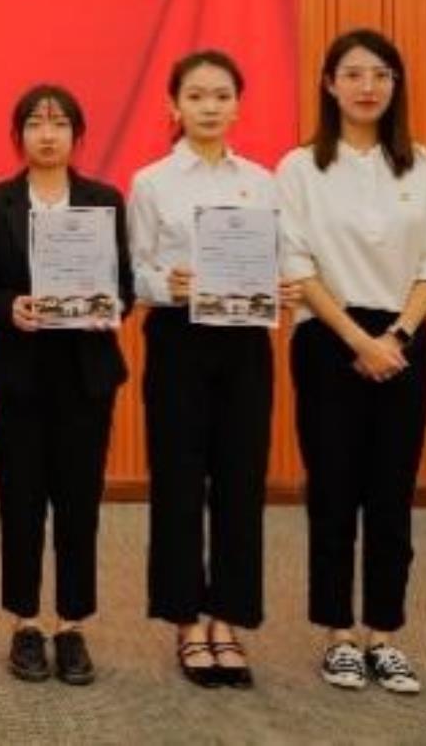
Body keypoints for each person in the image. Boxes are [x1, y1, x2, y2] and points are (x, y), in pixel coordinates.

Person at [278, 28, 426, 695]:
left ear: (395, 85)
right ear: (329, 84)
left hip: (404, 339)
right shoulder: (300, 168)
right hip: (329, 338)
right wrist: (358, 339)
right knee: (333, 491)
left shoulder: (423, 164)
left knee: (392, 492)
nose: (367, 86)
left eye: (381, 74)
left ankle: (384, 633)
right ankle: (338, 635)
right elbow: (296, 264)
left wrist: (397, 336)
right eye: (352, 74)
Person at [129, 50, 297, 689]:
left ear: (238, 106)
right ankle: (185, 620)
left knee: (240, 480)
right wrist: (165, 284)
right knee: (177, 480)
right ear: (174, 105)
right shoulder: (152, 182)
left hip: (246, 344)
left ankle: (227, 618)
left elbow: (281, 260)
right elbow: (135, 271)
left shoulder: (262, 181)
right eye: (196, 96)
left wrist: (282, 289)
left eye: (222, 96)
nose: (209, 107)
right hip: (179, 339)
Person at [0, 83, 134, 686]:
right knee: (21, 500)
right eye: (36, 123)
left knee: (80, 502)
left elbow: (126, 286)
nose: (48, 133)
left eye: (60, 123)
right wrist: (8, 306)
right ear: (19, 136)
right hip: (17, 372)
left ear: (77, 136)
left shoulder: (104, 202)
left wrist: (107, 304)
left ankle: (72, 624)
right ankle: (26, 623)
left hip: (86, 373)